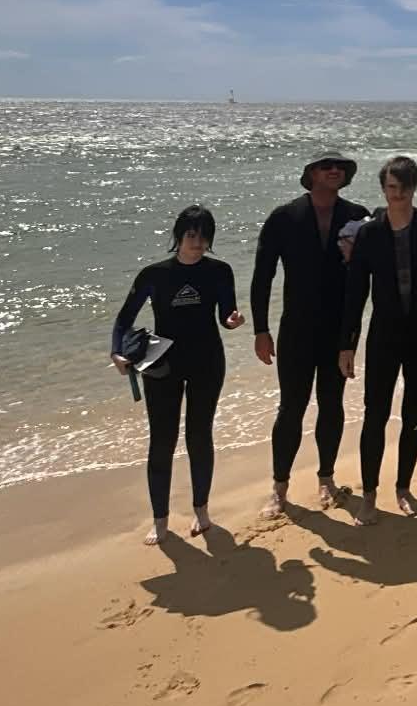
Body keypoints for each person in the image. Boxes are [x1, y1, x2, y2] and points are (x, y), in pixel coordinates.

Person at [111, 206, 243, 544]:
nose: (198, 243)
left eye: (204, 237)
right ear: (179, 236)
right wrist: (117, 351)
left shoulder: (219, 271)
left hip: (207, 362)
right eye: (191, 235)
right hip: (162, 365)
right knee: (162, 442)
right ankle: (160, 520)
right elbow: (124, 319)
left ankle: (202, 511)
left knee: (200, 437)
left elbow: (226, 313)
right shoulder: (154, 275)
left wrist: (232, 320)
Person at [338, 157, 417, 522]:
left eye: (404, 186)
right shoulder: (370, 234)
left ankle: (402, 487)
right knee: (375, 415)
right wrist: (347, 344)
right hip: (384, 335)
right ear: (384, 189)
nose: (398, 193)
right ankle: (369, 495)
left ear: (413, 187)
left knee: (413, 415)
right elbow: (355, 292)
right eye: (391, 187)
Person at [253, 153, 368, 515]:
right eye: (325, 166)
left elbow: (363, 282)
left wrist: (351, 338)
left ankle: (326, 480)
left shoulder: (356, 217)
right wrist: (260, 329)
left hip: (337, 330)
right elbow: (262, 276)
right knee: (291, 408)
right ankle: (279, 487)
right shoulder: (284, 217)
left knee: (331, 405)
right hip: (296, 328)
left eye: (339, 167)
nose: (334, 171)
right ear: (310, 175)